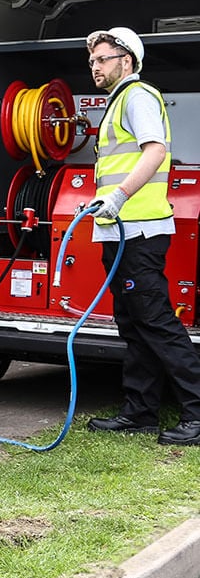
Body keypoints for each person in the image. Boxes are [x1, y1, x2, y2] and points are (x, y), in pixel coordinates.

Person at [85, 26, 200, 446]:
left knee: (156, 323)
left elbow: (155, 150)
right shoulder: (118, 103)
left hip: (140, 232)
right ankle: (140, 411)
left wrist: (118, 196)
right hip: (119, 232)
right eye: (93, 60)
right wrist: (102, 203)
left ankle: (197, 412)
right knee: (133, 324)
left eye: (102, 59)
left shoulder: (137, 96)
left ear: (126, 60)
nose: (95, 67)